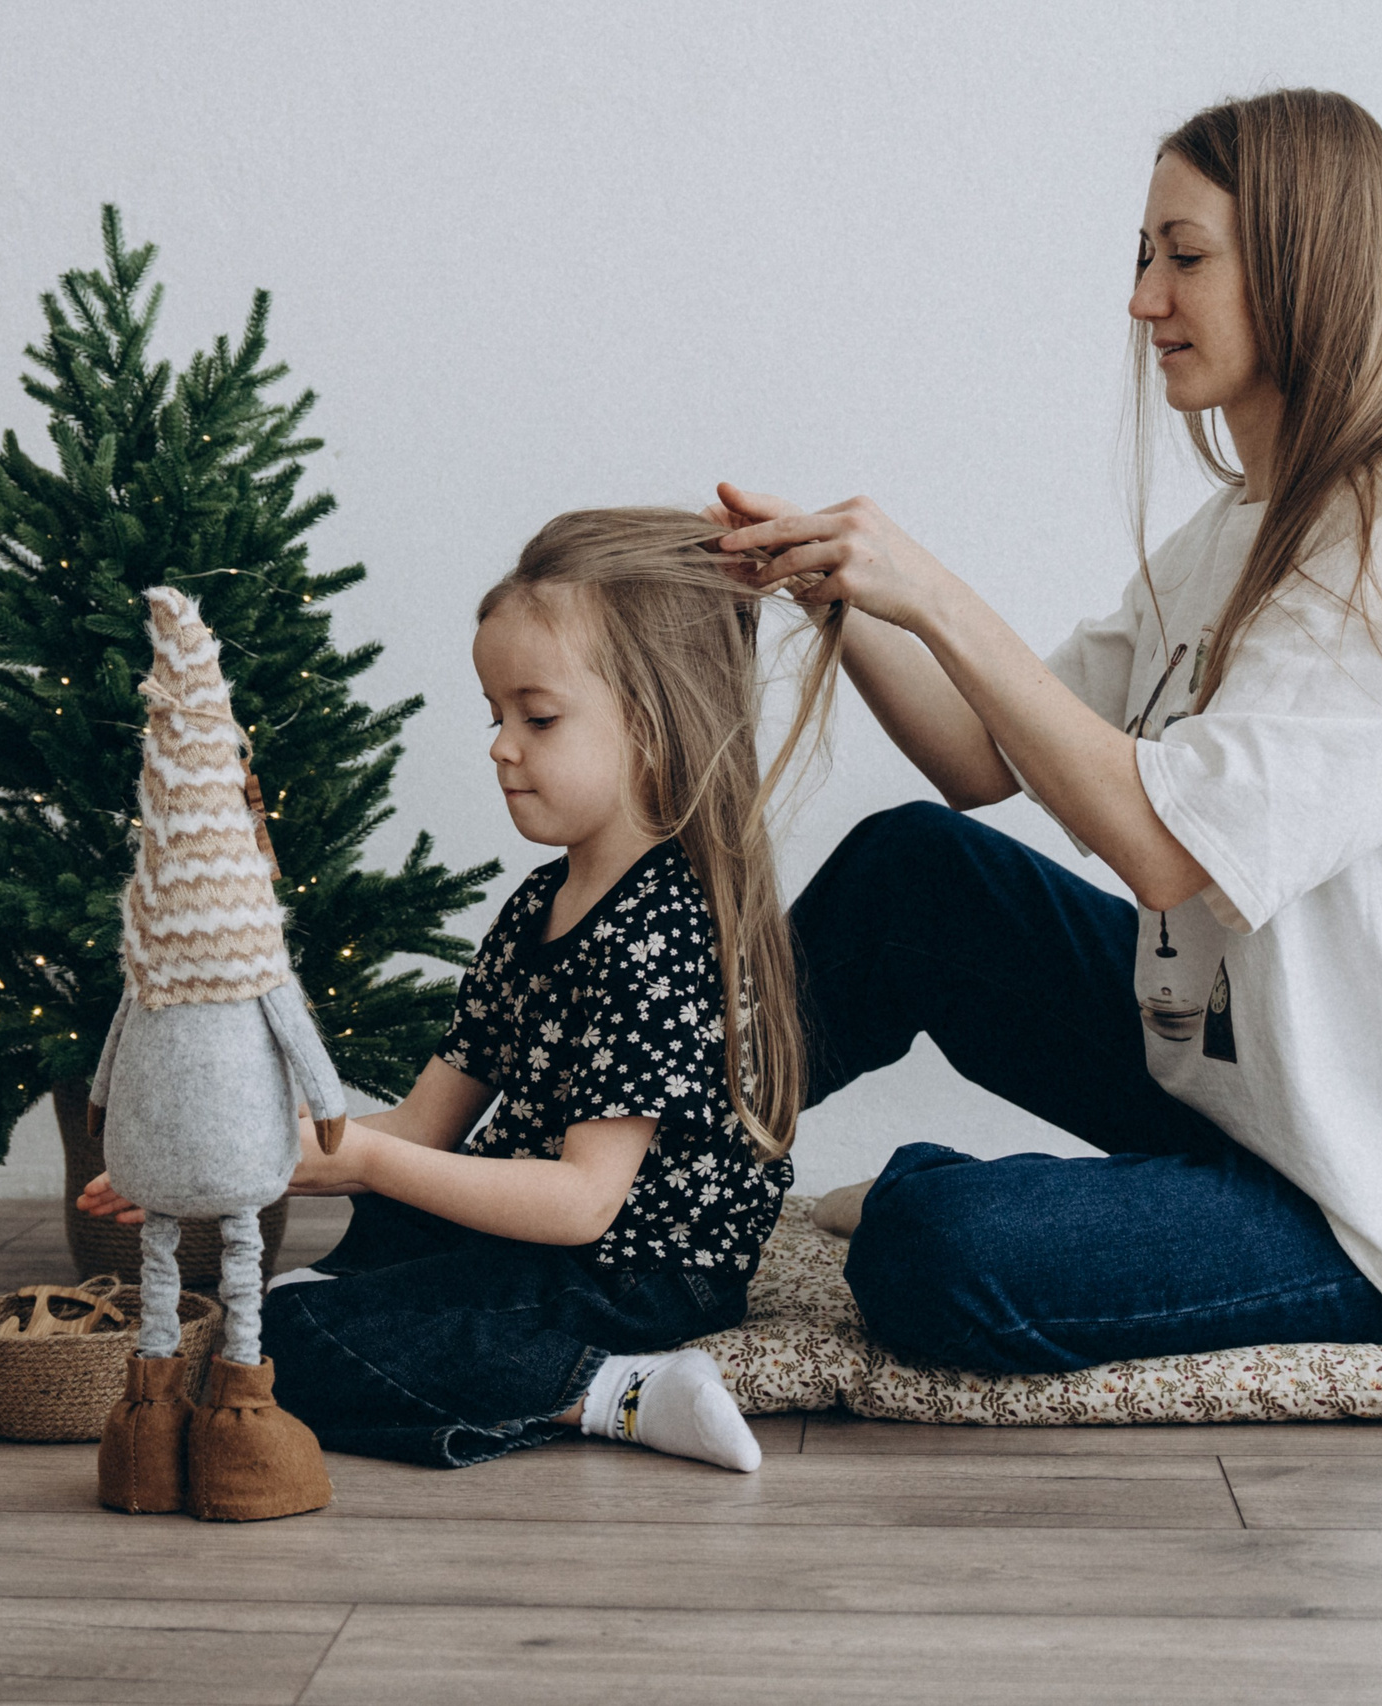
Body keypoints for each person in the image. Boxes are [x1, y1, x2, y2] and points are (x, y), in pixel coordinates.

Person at [712, 87, 1382, 1375]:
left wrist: (935, 586)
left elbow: (1172, 851)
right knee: (909, 875)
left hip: (1371, 1207)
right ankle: (630, 1177)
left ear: (1301, 261)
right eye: (1141, 258)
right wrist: (841, 591)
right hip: (1229, 1093)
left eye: (1184, 257)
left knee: (930, 1243)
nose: (1142, 299)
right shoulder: (1242, 524)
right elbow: (979, 755)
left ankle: (913, 1192)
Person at [82, 508, 837, 1469]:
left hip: (639, 1276)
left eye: (539, 717)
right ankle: (367, 1312)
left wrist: (364, 1163)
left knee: (284, 1345)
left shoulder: (662, 930)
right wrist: (221, 1163)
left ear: (654, 724)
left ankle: (616, 1389)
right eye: (495, 716)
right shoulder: (539, 904)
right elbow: (422, 1126)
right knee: (374, 1229)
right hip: (548, 1245)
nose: (499, 746)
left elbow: (581, 1204)